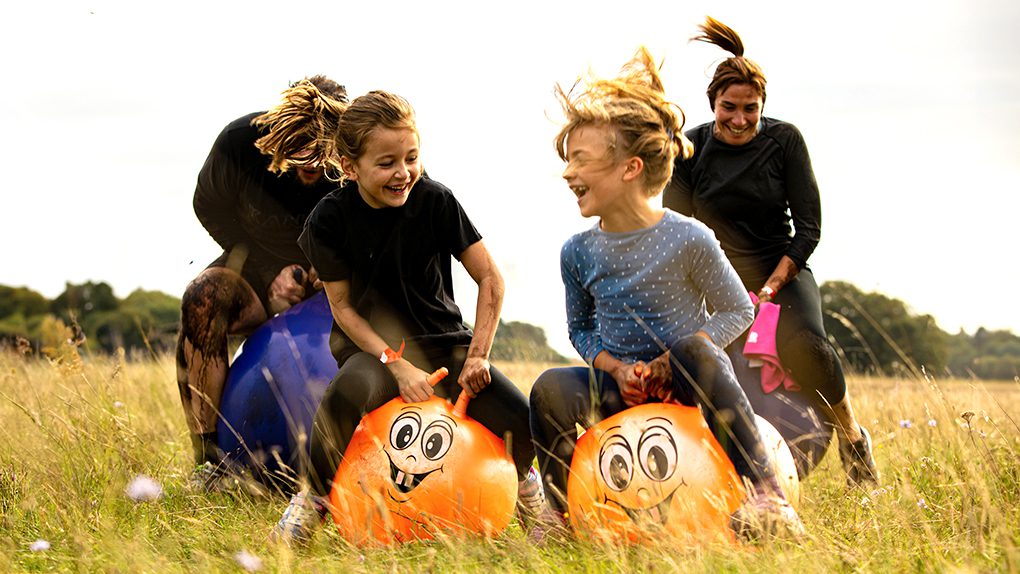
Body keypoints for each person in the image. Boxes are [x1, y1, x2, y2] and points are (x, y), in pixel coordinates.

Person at [529, 47, 804, 541]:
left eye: (580, 161)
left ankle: (768, 494)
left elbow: (738, 310)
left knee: (692, 347)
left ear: (630, 169)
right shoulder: (578, 251)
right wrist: (615, 368)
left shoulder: (688, 237)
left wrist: (665, 361)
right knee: (549, 387)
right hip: (620, 390)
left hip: (684, 389)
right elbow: (581, 328)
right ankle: (562, 511)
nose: (568, 173)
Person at [269, 90, 545, 545]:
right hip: (374, 352)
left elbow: (491, 279)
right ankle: (311, 500)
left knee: (521, 418)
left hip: (448, 345)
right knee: (346, 394)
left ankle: (533, 500)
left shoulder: (436, 201)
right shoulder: (328, 220)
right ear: (349, 166)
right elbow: (343, 308)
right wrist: (395, 365)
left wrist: (477, 357)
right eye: (387, 163)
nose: (403, 174)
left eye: (411, 158)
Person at [664, 16, 879, 487]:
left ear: (763, 106)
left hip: (783, 268)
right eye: (729, 108)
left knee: (809, 346)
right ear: (712, 104)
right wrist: (720, 286)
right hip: (715, 278)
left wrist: (773, 285)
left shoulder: (785, 141)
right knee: (695, 361)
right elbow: (675, 231)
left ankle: (852, 436)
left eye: (751, 109)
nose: (740, 119)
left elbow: (809, 228)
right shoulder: (688, 150)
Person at [176, 76, 348, 484]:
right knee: (202, 299)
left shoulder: (368, 145)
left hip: (340, 282)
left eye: (321, 156)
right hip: (258, 271)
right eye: (299, 154)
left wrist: (340, 267)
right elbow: (209, 207)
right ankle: (208, 463)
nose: (310, 168)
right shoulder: (240, 144)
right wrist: (269, 273)